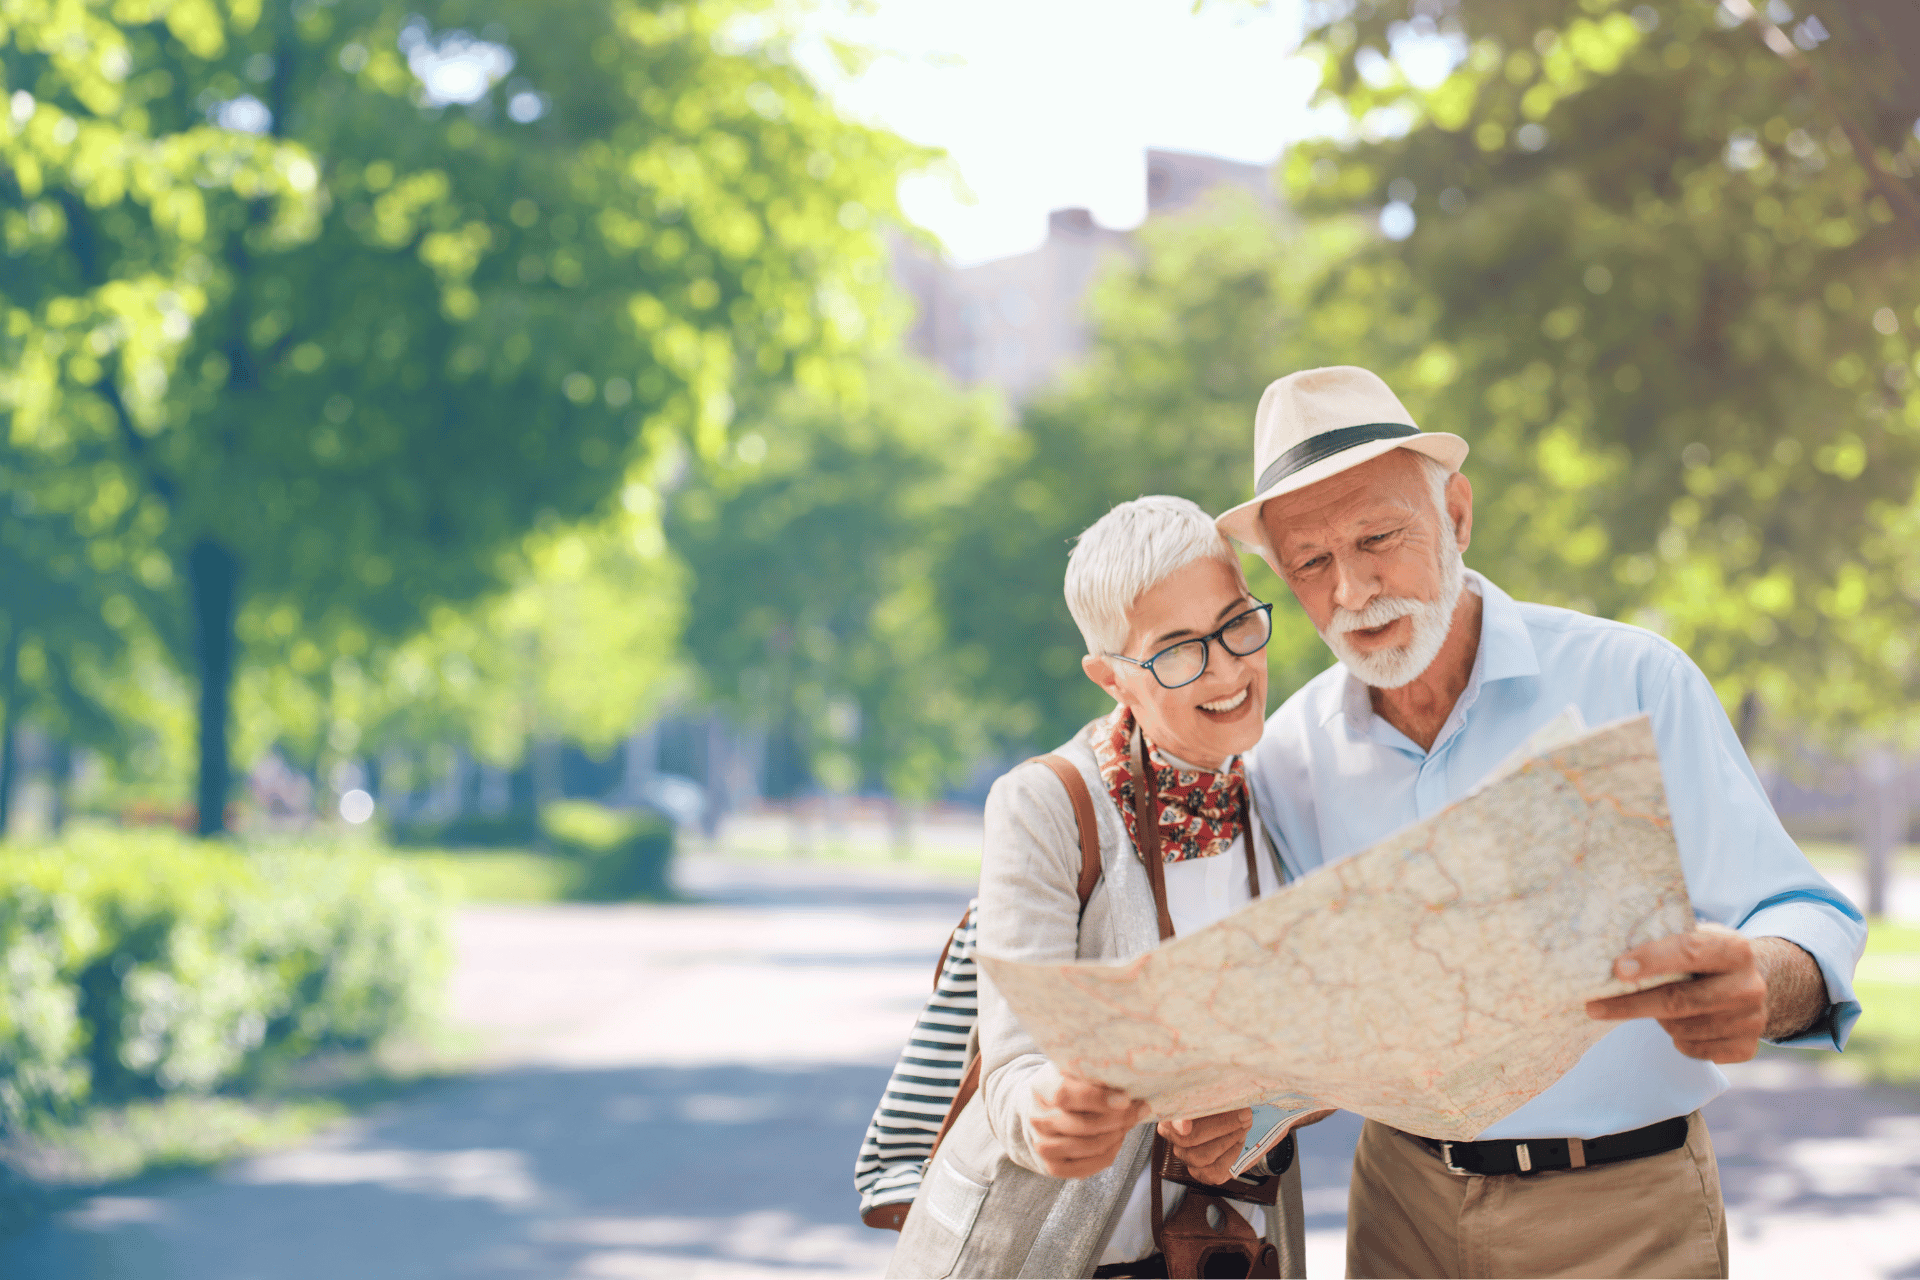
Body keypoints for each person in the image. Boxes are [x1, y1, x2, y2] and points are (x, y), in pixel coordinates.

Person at [1193, 365, 1865, 1279]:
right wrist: (1239, 1097)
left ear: (1457, 516)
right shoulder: (1285, 758)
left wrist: (1762, 977)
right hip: (1399, 1211)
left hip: (1627, 1211)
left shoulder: (1634, 682)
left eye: (1379, 537)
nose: (1352, 590)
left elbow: (1800, 913)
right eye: (1312, 563)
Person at [887, 496, 1308, 1280]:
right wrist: (1051, 1111)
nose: (1226, 668)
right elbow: (1015, 1068)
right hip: (1047, 1255)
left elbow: (1322, 1038)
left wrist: (1257, 1111)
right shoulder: (1046, 803)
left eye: (1237, 623)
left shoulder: (1281, 789)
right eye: (1177, 651)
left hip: (1234, 1252)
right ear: (1111, 677)